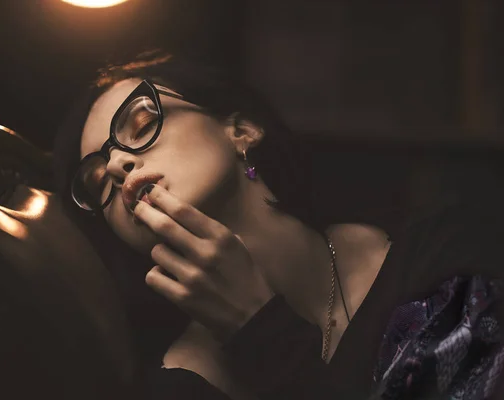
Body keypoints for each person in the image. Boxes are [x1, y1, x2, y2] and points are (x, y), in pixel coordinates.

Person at [54, 50, 504, 399]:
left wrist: (261, 327)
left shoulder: (438, 249)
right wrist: (259, 333)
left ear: (242, 131)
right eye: (98, 186)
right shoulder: (182, 388)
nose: (116, 164)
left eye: (142, 123)